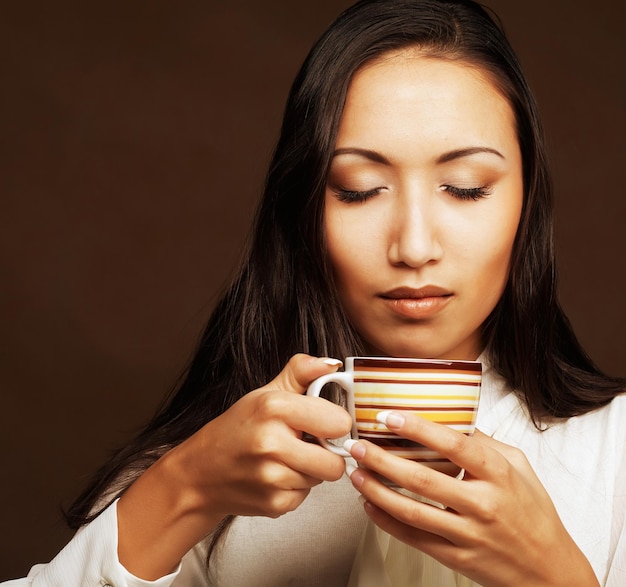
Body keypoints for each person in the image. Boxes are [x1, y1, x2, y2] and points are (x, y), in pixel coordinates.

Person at [4, 0, 625, 585]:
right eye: (357, 189)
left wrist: (554, 574)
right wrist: (184, 488)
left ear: (528, 202)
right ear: (303, 209)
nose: (413, 246)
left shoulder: (612, 451)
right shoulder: (224, 467)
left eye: (464, 188)